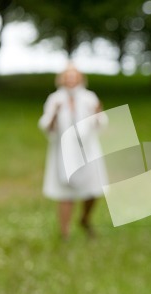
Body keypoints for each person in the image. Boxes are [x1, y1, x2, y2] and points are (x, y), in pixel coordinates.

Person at [39, 63, 107, 240]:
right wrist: (54, 114)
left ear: (79, 78)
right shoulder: (55, 99)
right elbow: (46, 126)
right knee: (65, 193)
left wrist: (98, 113)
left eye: (73, 76)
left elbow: (101, 122)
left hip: (87, 150)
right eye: (67, 76)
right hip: (63, 152)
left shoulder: (89, 97)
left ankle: (85, 219)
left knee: (92, 190)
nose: (70, 80)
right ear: (62, 79)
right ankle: (65, 233)